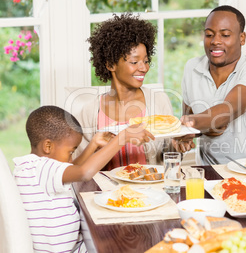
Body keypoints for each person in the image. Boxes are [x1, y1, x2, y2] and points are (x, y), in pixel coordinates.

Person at [13, 105, 154, 253]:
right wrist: (122, 138)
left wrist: (93, 144)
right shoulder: (43, 168)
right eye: (70, 151)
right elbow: (84, 173)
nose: (71, 157)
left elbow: (72, 169)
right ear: (48, 146)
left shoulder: (31, 168)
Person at [75, 13, 192, 170]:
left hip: (151, 192)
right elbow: (77, 170)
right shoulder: (89, 111)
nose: (144, 68)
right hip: (106, 192)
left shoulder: (159, 100)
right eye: (134, 62)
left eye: (145, 61)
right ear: (110, 64)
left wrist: (177, 147)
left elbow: (165, 157)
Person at [180, 5, 246, 165]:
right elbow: (192, 124)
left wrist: (189, 124)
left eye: (225, 35)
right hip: (208, 173)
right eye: (209, 34)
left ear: (242, 38)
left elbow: (226, 111)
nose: (215, 41)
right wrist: (187, 136)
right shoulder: (191, 68)